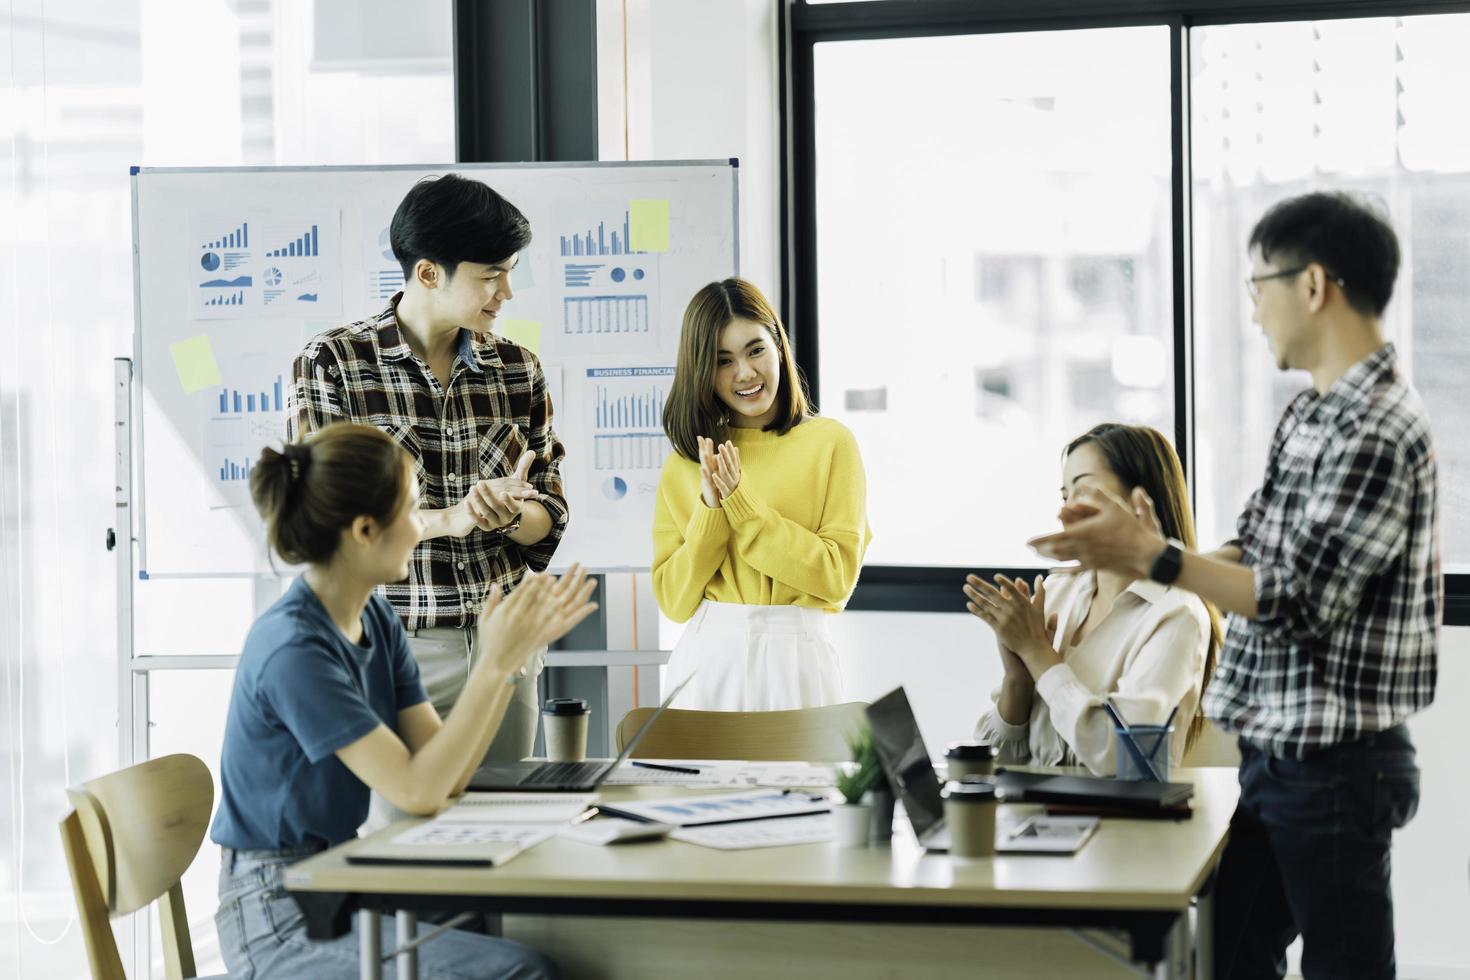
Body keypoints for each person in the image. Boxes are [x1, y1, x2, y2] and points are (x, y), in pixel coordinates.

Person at [1029, 191, 1438, 980]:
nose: (1254, 313)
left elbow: (1297, 596)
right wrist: (1136, 553)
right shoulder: (1310, 415)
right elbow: (1252, 545)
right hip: (1273, 751)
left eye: (1259, 288)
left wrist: (1157, 559)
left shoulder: (1380, 426)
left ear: (1313, 285)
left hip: (1336, 763)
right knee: (1229, 956)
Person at [211, 423, 593, 979]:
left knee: (521, 921)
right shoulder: (295, 649)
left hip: (340, 880)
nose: (421, 528)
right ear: (365, 530)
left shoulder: (375, 617)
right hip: (279, 914)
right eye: (413, 511)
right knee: (522, 970)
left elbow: (446, 778)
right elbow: (417, 791)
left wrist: (506, 661)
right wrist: (493, 662)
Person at [289, 173, 568, 778]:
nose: (507, 292)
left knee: (501, 837)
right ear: (427, 273)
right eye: (491, 275)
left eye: (510, 271)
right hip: (393, 645)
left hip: (505, 642)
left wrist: (513, 515)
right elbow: (329, 522)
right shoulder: (334, 364)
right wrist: (454, 518)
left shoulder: (519, 369)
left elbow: (551, 521)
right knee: (398, 840)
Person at [652, 278, 870, 710]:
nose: (746, 373)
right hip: (709, 660)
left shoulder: (830, 443)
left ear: (778, 346)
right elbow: (675, 602)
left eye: (755, 350)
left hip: (799, 655)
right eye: (723, 360)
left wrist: (741, 504)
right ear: (702, 371)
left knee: (804, 778)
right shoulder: (688, 461)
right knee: (700, 778)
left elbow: (835, 578)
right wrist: (712, 511)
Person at [965, 423, 1219, 776]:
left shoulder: (1176, 614)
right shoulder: (1056, 593)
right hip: (1040, 822)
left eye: (1083, 492)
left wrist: (1040, 657)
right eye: (1064, 496)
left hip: (1124, 826)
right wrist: (1018, 680)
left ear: (1140, 503)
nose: (1063, 514)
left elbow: (1124, 757)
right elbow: (994, 765)